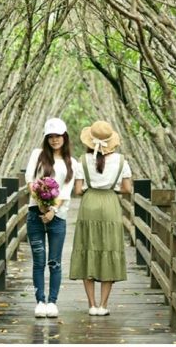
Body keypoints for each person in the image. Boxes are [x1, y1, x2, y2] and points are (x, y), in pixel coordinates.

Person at [70, 120, 132, 316]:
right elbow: (127, 189)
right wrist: (112, 187)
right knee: (109, 249)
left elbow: (78, 190)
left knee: (88, 248)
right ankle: (103, 306)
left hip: (89, 205)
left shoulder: (82, 161)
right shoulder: (122, 161)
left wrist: (91, 187)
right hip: (110, 205)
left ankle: (91, 305)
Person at [25, 118, 77, 318]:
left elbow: (66, 191)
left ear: (65, 137)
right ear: (46, 138)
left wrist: (52, 210)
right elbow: (30, 180)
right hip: (34, 213)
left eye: (58, 136)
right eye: (51, 137)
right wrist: (40, 203)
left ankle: (53, 302)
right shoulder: (37, 155)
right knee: (38, 260)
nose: (55, 140)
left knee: (54, 261)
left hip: (58, 217)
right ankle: (40, 301)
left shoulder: (72, 162)